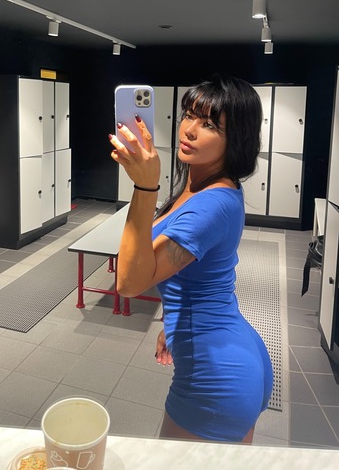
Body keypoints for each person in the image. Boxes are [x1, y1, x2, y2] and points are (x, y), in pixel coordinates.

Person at [109, 74, 273, 444]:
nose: (190, 130)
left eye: (210, 125)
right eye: (189, 115)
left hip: (216, 377)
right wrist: (174, 324)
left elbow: (129, 284)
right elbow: (201, 278)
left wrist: (145, 186)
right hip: (234, 350)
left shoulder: (211, 204)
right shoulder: (207, 185)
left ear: (236, 139)